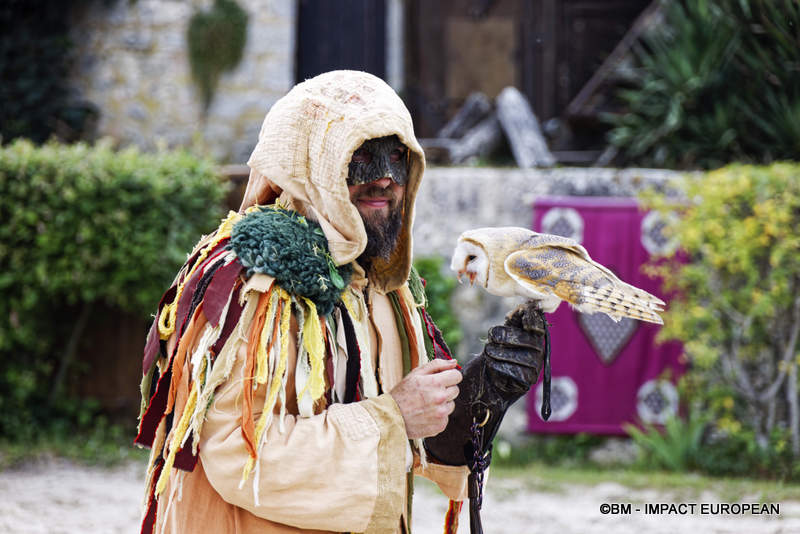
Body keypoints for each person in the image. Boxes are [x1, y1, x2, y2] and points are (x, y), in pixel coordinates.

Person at [135, 70, 547, 534]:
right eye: (360, 159)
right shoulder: (251, 284)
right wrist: (392, 417)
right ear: (310, 165)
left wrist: (477, 398)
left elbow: (408, 443)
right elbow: (239, 455)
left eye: (397, 157)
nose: (386, 179)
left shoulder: (384, 286)